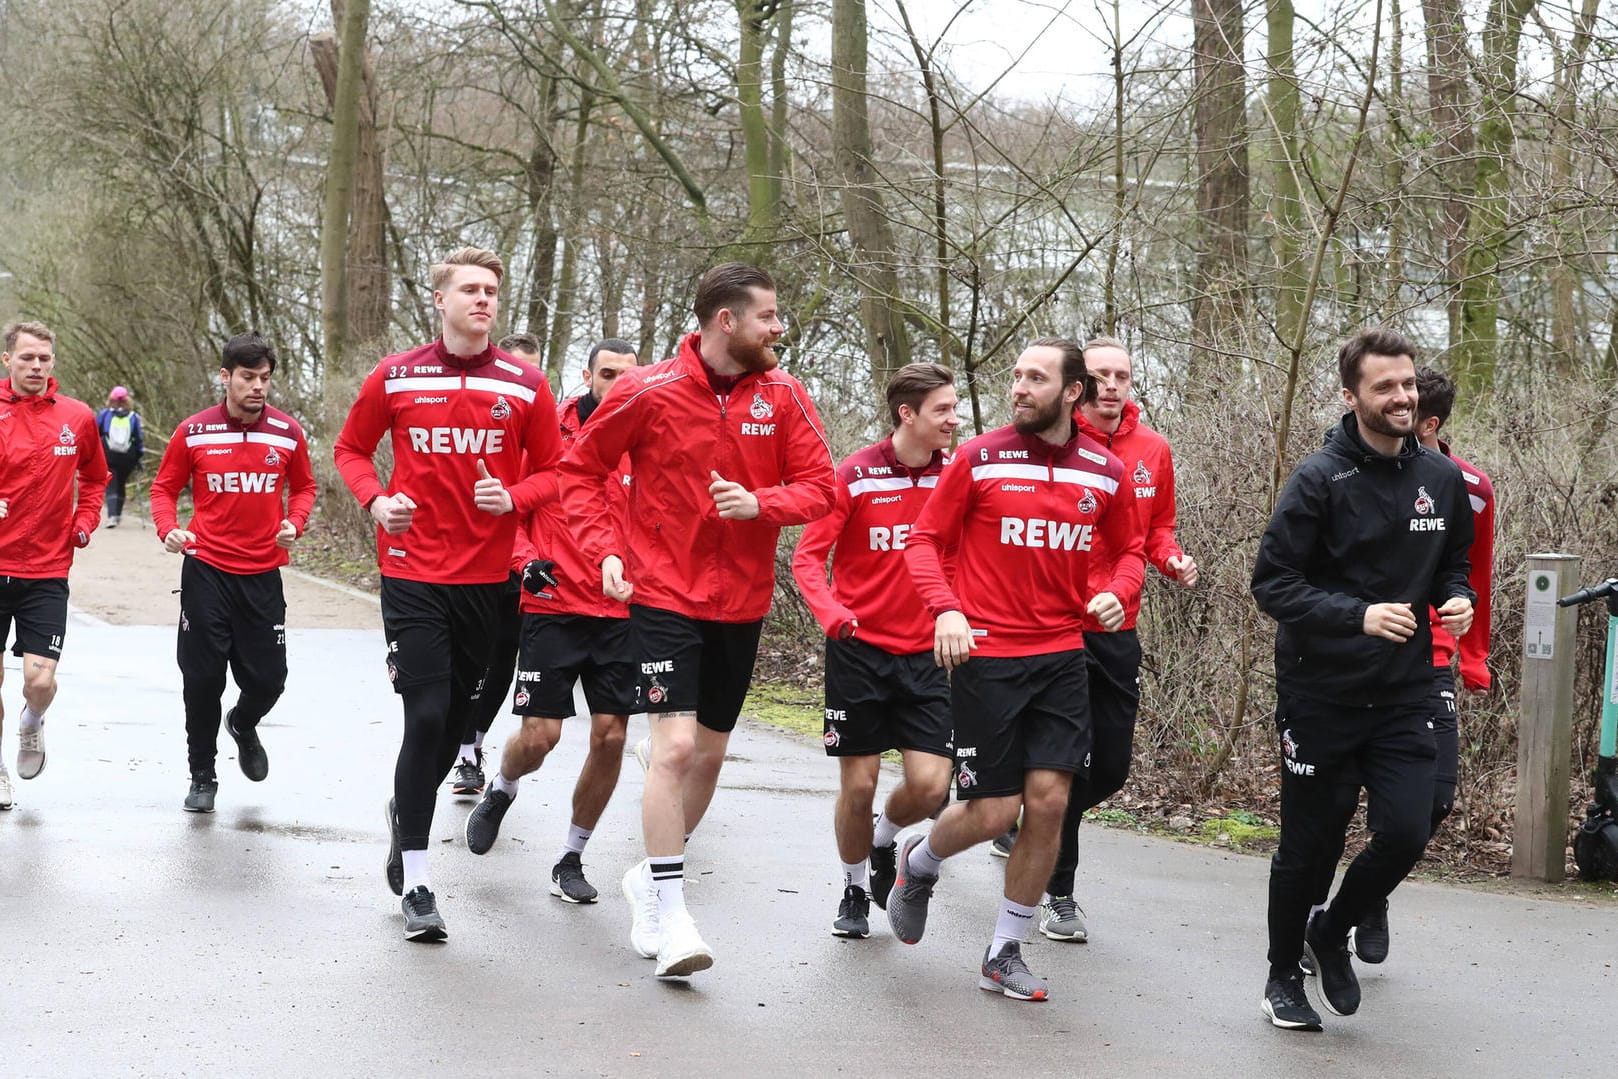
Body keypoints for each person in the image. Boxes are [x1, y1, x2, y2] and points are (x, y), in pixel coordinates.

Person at [559, 263, 835, 978]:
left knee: (708, 756)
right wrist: (606, 549)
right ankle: (674, 913)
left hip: (740, 603)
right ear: (726, 321)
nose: (779, 328)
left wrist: (760, 503)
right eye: (769, 316)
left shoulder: (785, 394)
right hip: (661, 592)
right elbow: (579, 471)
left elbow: (823, 489)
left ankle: (649, 878)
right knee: (674, 748)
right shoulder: (647, 389)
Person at [888, 337, 1144, 1001]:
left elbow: (1129, 551)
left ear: (1073, 392)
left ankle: (1005, 948)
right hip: (986, 654)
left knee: (1051, 802)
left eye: (1036, 377)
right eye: (1017, 376)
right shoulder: (977, 458)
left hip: (1062, 654)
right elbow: (923, 542)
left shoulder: (1104, 471)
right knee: (993, 806)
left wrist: (1120, 588)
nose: (1020, 387)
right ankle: (919, 861)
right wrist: (945, 608)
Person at [334, 247, 562, 942]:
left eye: (492, 289)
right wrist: (377, 500)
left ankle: (404, 814)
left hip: (487, 583)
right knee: (427, 714)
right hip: (411, 573)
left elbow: (557, 472)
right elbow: (349, 448)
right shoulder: (398, 374)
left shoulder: (525, 385)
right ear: (441, 299)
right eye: (470, 288)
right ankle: (421, 879)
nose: (483, 299)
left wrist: (513, 497)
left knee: (457, 715)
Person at [1250, 328, 1474, 1031]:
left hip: (1405, 692)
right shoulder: (1319, 478)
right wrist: (1358, 615)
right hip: (1321, 693)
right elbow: (1272, 584)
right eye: (1386, 386)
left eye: (1408, 383)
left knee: (1408, 828)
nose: (1402, 396)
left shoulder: (1441, 478)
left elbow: (1451, 566)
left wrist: (1457, 597)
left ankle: (1333, 928)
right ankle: (1282, 973)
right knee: (1309, 845)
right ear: (1351, 397)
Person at [990, 336, 1199, 944]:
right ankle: (1059, 892)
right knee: (1066, 768)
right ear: (1080, 385)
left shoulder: (1152, 450)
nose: (1113, 386)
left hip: (1118, 627)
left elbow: (1155, 531)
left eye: (1124, 376)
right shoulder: (1050, 448)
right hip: (1055, 629)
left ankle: (1030, 823)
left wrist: (1174, 561)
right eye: (1102, 376)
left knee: (1108, 769)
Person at [1301, 363, 1496, 971]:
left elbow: (1471, 573)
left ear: (1429, 421)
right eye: (1389, 394)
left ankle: (1368, 892)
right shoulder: (1339, 475)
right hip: (1347, 666)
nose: (1402, 409)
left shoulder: (1466, 486)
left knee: (1430, 803)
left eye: (1410, 399)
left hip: (1428, 661)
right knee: (1330, 810)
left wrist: (1474, 653)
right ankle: (1323, 919)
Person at [465, 338, 642, 908]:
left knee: (612, 735)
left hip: (623, 609)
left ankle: (571, 856)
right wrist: (524, 563)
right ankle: (503, 785)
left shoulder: (651, 437)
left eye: (628, 376)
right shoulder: (550, 430)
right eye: (607, 374)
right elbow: (511, 506)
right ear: (587, 376)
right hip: (555, 603)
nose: (617, 385)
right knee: (541, 736)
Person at [790, 363, 959, 938]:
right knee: (857, 785)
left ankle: (885, 838)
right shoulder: (854, 474)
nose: (954, 420)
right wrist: (832, 614)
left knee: (934, 787)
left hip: (929, 656)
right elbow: (808, 558)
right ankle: (855, 889)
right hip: (859, 652)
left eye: (956, 409)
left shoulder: (955, 476)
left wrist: (959, 614)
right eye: (943, 410)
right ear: (906, 413)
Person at [149, 334, 317, 814]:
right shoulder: (194, 432)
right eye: (248, 377)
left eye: (265, 378)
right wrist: (170, 529)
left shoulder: (287, 432)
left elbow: (304, 488)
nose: (258, 387)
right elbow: (163, 489)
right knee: (202, 679)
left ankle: (242, 723)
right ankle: (203, 773)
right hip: (206, 569)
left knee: (270, 679)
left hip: (263, 574)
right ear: (225, 377)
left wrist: (294, 522)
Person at [0, 321, 110, 810]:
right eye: (27, 358)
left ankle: (31, 723)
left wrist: (84, 521)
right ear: (8, 360)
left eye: (44, 358)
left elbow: (95, 476)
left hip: (46, 568)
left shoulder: (78, 417)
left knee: (39, 679)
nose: (37, 366)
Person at [443, 332, 547, 800]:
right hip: (479, 559)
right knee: (474, 663)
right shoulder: (482, 418)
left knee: (502, 665)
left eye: (535, 368)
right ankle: (462, 750)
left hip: (527, 568)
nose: (525, 377)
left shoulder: (544, 421)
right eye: (518, 366)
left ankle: (473, 747)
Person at [96, 386, 145, 527]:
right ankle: (117, 514)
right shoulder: (133, 417)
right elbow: (138, 438)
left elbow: (95, 432)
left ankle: (112, 516)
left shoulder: (105, 414)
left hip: (108, 454)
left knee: (111, 483)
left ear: (111, 399)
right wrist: (138, 456)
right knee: (121, 484)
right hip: (128, 456)